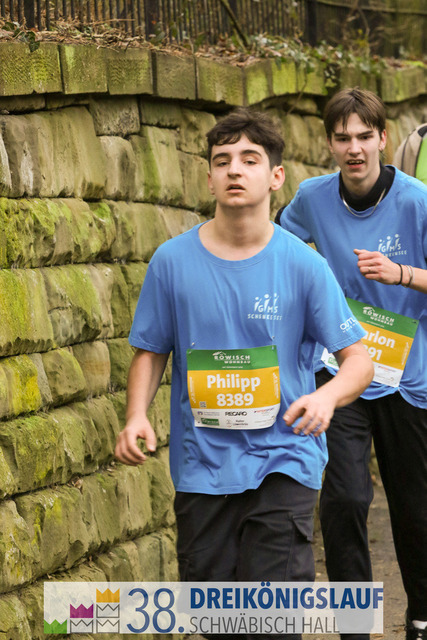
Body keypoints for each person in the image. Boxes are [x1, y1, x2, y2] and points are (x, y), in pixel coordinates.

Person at [115, 108, 374, 640]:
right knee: (219, 623)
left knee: (272, 622)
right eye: (222, 160)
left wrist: (325, 399)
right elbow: (151, 349)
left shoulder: (303, 265)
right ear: (208, 177)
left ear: (276, 176)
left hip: (284, 459)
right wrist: (136, 414)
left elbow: (359, 360)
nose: (235, 169)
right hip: (203, 468)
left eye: (250, 159)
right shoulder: (171, 262)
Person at [276, 87, 427, 640]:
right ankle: (354, 626)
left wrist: (401, 273)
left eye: (365, 136)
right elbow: (276, 248)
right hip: (341, 368)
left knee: (415, 507)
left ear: (384, 139)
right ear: (329, 144)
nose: (355, 148)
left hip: (409, 377)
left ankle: (421, 615)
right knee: (344, 498)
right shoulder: (312, 198)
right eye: (343, 138)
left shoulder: (417, 201)